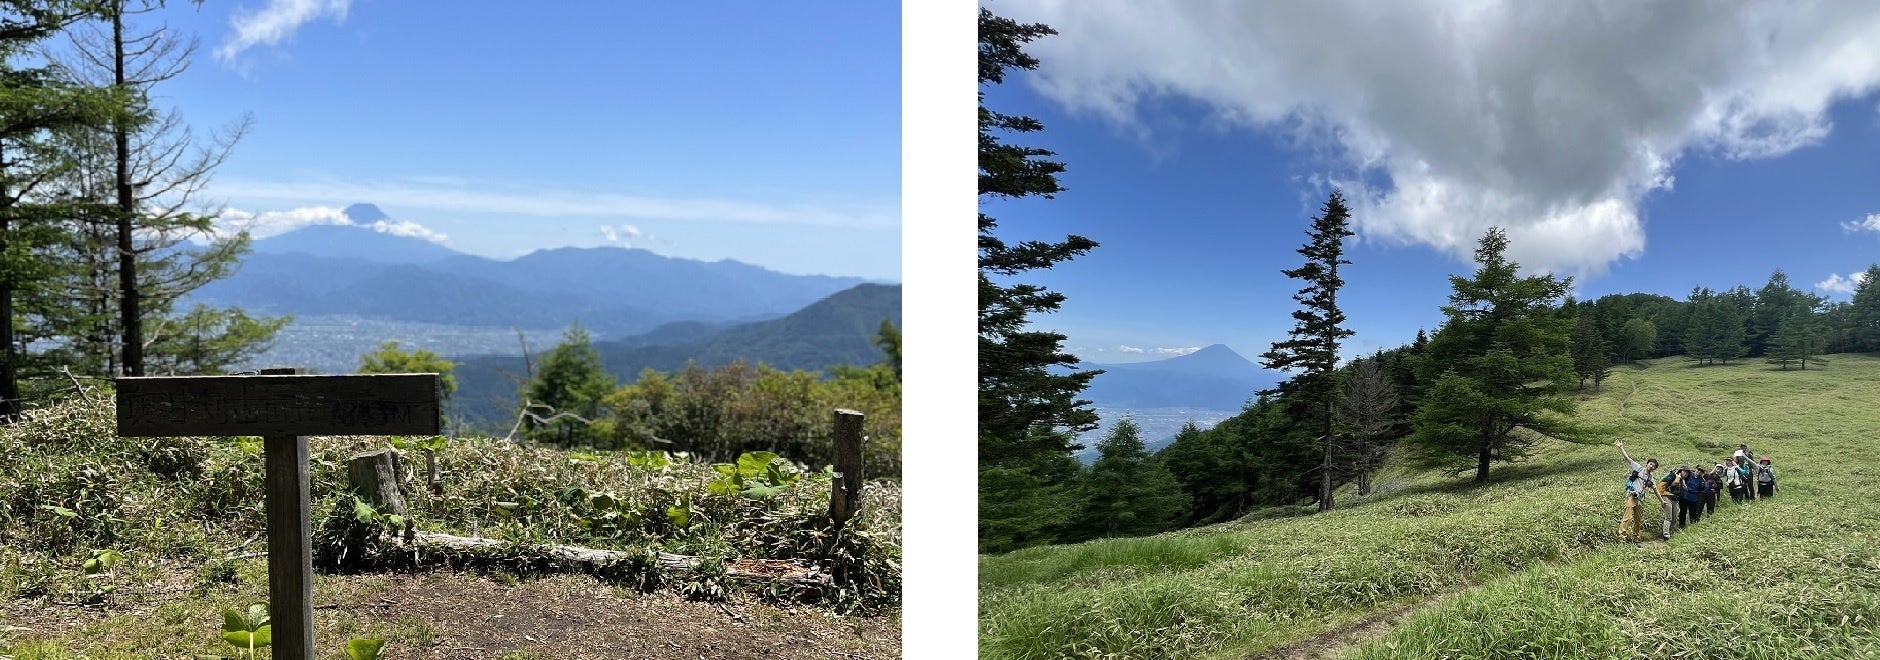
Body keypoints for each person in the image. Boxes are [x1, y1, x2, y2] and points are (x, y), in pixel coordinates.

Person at [1614, 441, 1659, 543]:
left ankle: (1636, 537)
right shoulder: (1638, 468)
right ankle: (1622, 537)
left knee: (1638, 520)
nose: (1651, 466)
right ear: (1647, 464)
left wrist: (1662, 501)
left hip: (1640, 499)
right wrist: (1621, 447)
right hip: (1631, 495)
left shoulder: (1651, 478)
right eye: (1651, 464)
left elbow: (1656, 490)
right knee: (1627, 517)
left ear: (1654, 469)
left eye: (1654, 466)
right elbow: (1628, 459)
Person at [1658, 467, 1683, 539]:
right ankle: (1666, 535)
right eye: (1684, 472)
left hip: (1675, 500)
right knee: (1668, 517)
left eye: (1687, 473)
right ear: (1680, 472)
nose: (1685, 473)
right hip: (1667, 497)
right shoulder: (1675, 477)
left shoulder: (1683, 481)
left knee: (1675, 518)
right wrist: (1676, 476)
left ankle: (1669, 532)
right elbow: (1673, 483)